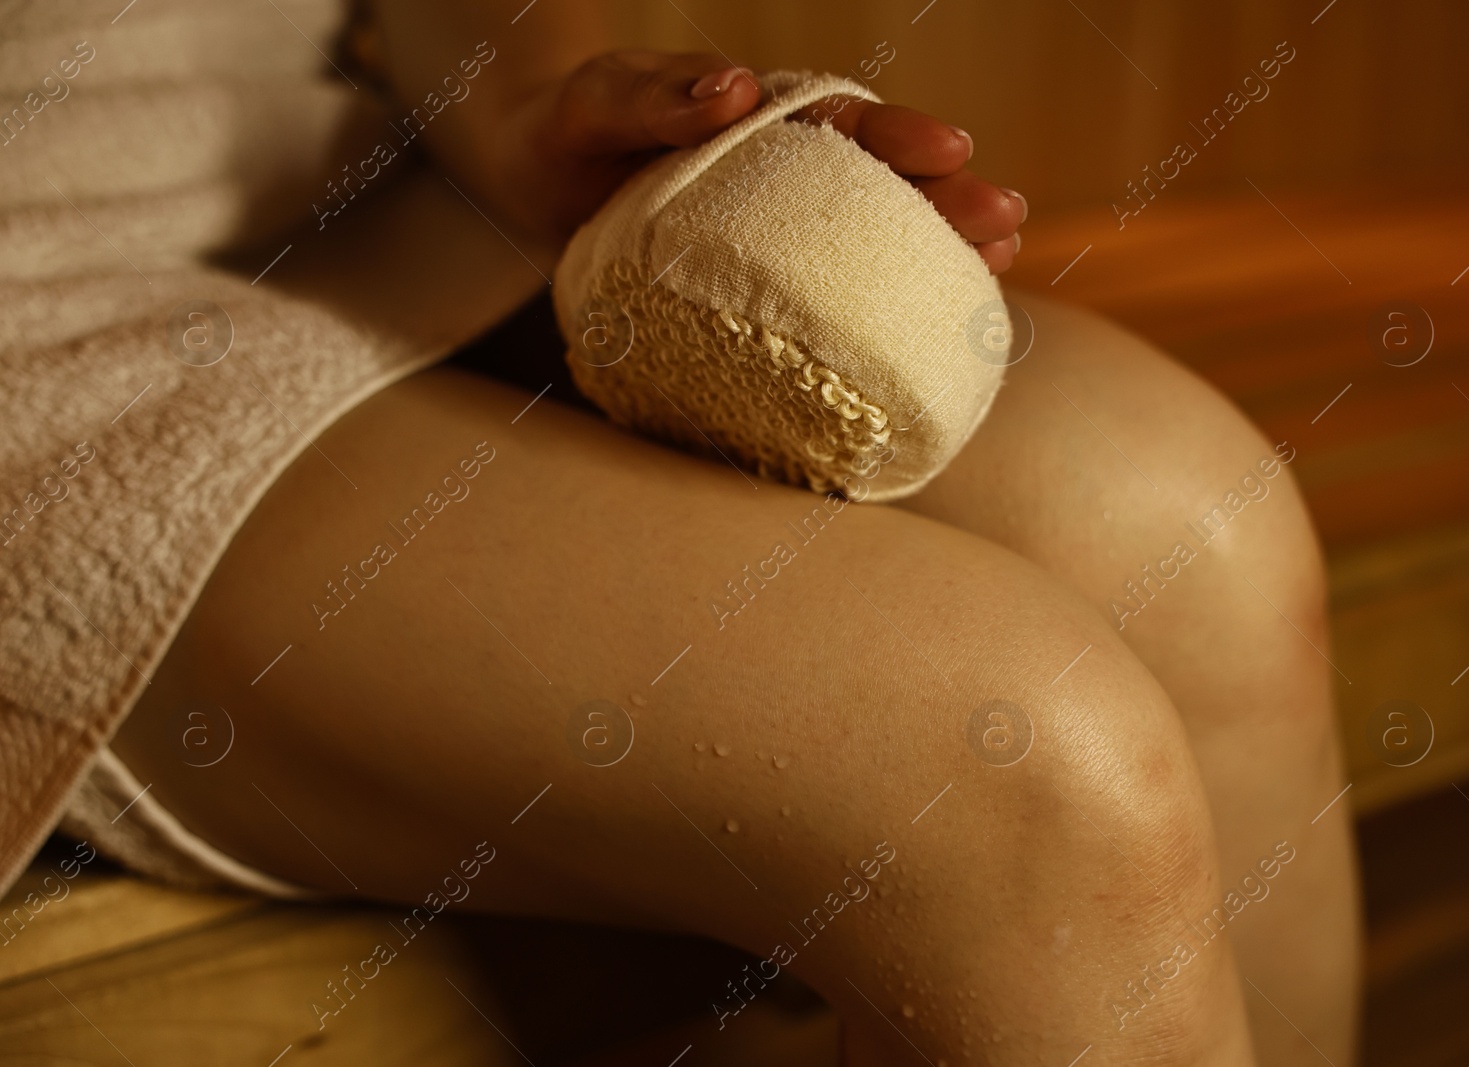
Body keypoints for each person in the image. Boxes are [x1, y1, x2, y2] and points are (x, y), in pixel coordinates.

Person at [102, 1, 1358, 1063]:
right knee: (1021, 762)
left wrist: (529, 106)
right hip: (46, 338)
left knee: (1183, 519)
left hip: (343, 208)